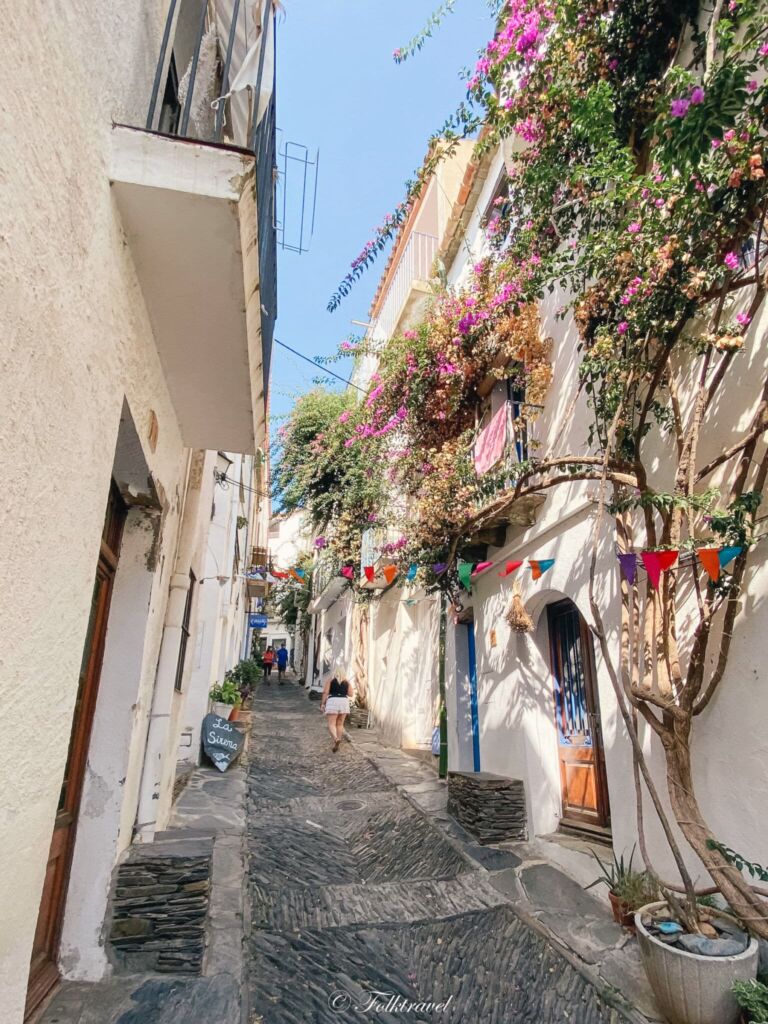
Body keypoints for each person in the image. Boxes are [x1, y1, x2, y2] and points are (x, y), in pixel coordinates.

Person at [320, 673, 353, 752]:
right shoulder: (347, 682)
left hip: (333, 701)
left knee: (331, 723)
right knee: (340, 724)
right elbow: (351, 694)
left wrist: (323, 703)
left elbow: (325, 692)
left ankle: (336, 738)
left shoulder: (330, 680)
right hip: (344, 702)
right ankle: (338, 740)